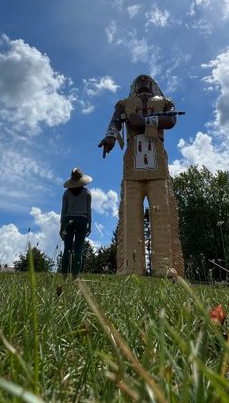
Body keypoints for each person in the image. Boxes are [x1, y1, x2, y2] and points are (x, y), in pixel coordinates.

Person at [97, 74, 184, 277]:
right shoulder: (124, 104)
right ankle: (131, 266)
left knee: (162, 212)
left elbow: (171, 120)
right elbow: (115, 123)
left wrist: (144, 121)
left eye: (148, 81)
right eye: (140, 81)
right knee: (130, 214)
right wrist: (110, 137)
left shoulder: (165, 102)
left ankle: (164, 266)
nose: (144, 82)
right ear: (134, 85)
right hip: (132, 164)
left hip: (157, 163)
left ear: (153, 85)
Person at [60, 167, 92, 280]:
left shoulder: (66, 193)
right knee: (78, 250)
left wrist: (61, 227)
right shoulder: (87, 193)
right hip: (82, 220)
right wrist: (90, 225)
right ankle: (75, 277)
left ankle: (64, 276)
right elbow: (89, 210)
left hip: (68, 220)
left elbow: (63, 211)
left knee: (67, 249)